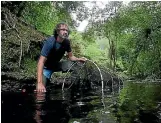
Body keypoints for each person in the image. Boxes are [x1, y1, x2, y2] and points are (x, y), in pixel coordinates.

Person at [36, 22, 87, 92]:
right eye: (63, 30)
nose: (65, 32)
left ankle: (74, 90)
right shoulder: (50, 42)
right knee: (40, 91)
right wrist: (39, 83)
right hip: (46, 68)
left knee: (76, 66)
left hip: (57, 65)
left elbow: (71, 57)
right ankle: (44, 82)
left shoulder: (67, 42)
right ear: (57, 31)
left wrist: (79, 59)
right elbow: (41, 62)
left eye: (67, 30)